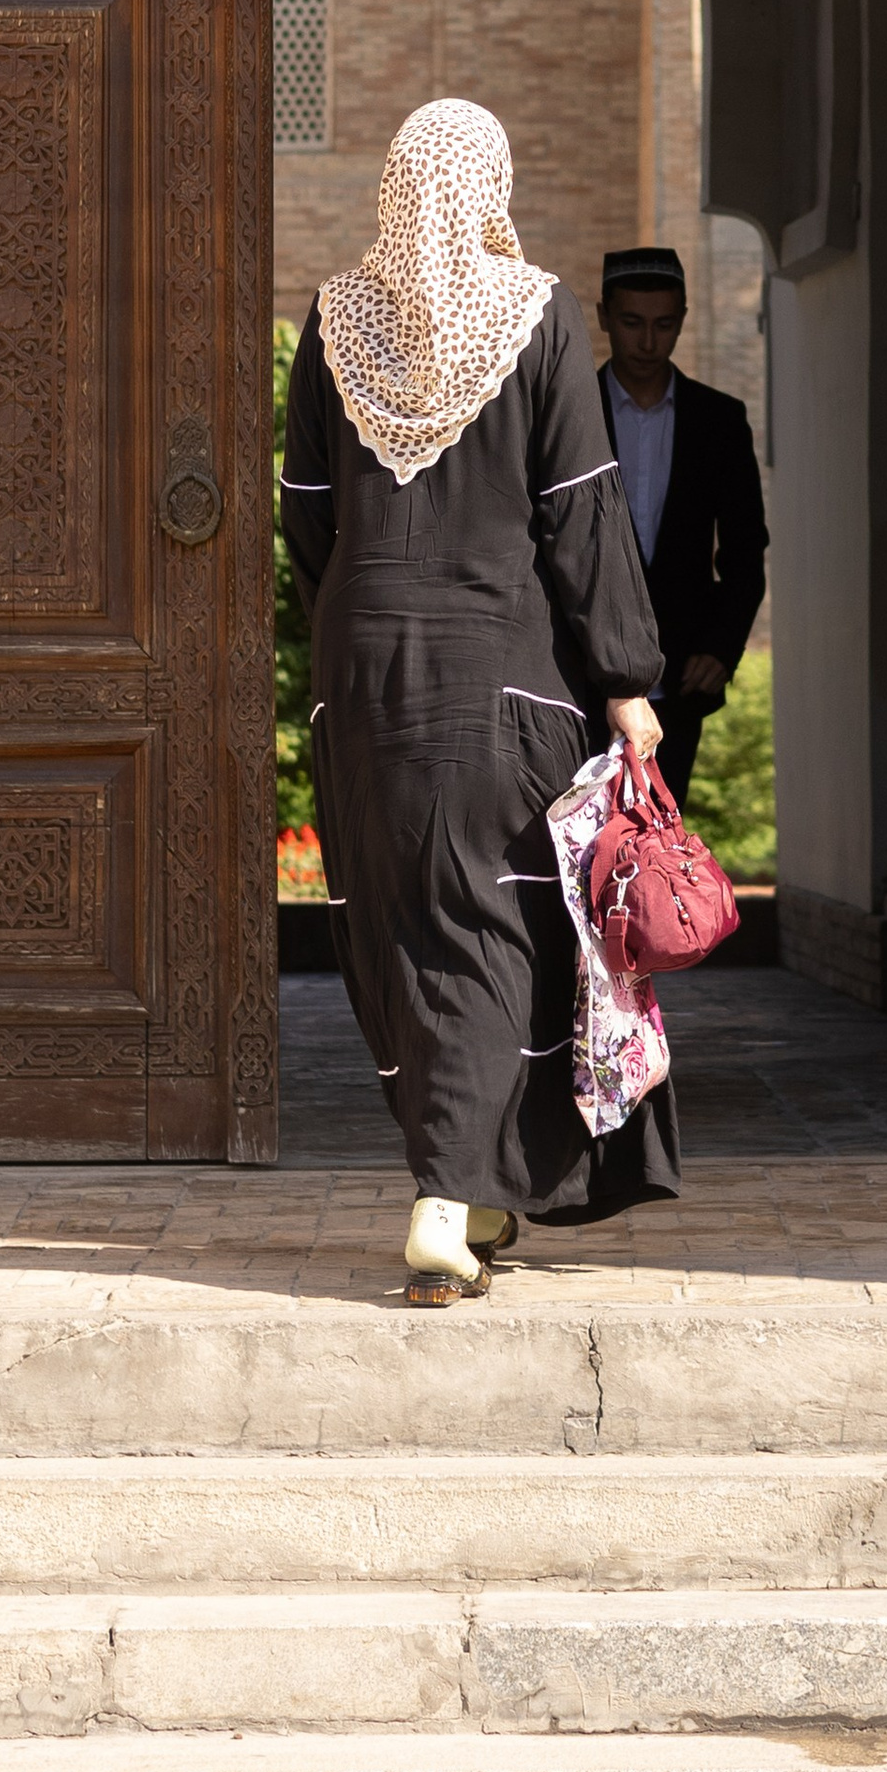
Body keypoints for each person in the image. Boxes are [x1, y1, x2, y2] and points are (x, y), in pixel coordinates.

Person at [280, 99, 680, 1310]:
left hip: (363, 674)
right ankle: (445, 1202)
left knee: (399, 915)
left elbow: (306, 512)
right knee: (494, 925)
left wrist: (352, 625)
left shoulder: (335, 322)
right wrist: (624, 678)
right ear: (490, 184)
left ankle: (482, 1180)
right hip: (499, 673)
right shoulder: (537, 314)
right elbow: (578, 508)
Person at [594, 245, 769, 814]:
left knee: (659, 847)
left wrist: (721, 648)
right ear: (604, 318)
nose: (647, 341)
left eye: (663, 325)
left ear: (682, 321)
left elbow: (746, 550)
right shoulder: (573, 414)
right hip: (582, 670)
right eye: (632, 323)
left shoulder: (718, 420)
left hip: (683, 675)